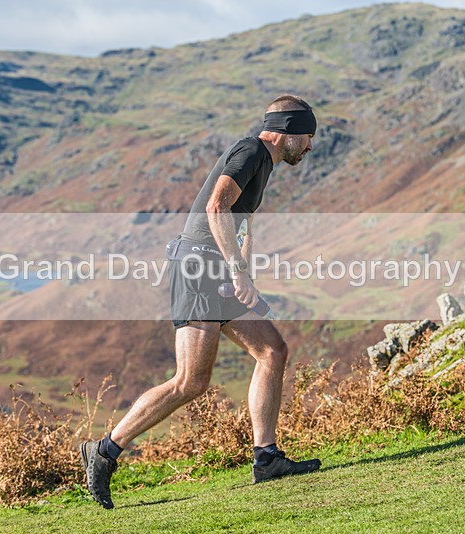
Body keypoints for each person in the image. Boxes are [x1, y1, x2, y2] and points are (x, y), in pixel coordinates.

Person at [79, 95, 321, 509]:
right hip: (197, 268)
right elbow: (217, 206)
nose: (310, 147)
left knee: (272, 350)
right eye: (308, 138)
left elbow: (240, 219)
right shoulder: (250, 151)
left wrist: (244, 272)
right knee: (191, 380)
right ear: (287, 131)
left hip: (217, 270)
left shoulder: (262, 162)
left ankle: (266, 458)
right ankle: (104, 451)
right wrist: (235, 270)